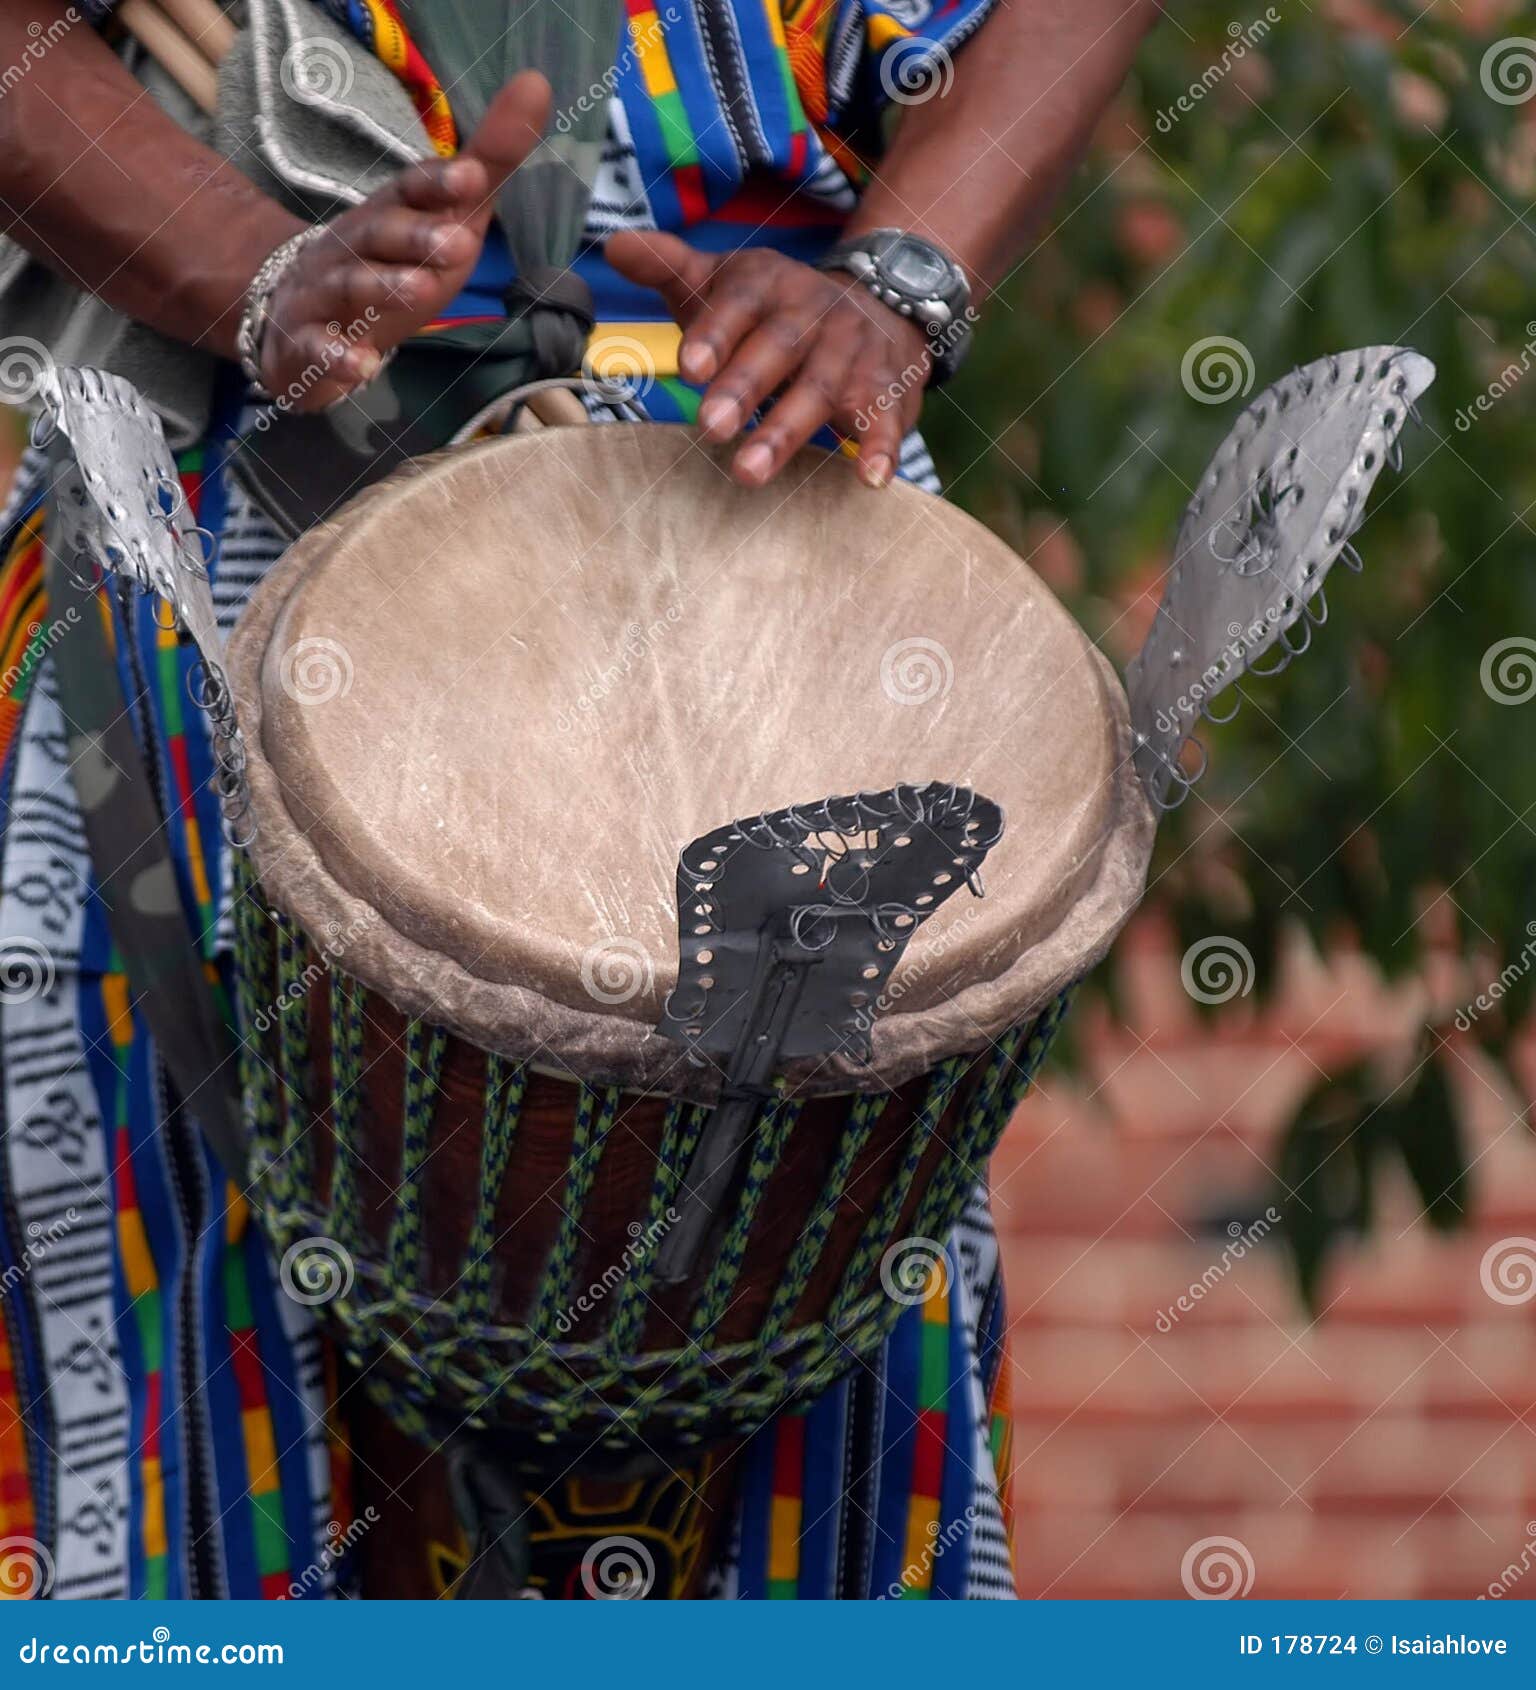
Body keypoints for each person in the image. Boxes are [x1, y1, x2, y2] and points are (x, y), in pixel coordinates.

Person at [0, 0, 1158, 1598]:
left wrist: (895, 282)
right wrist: (258, 271)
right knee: (172, 1356)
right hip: (213, 507)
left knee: (819, 1287)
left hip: (768, 510)